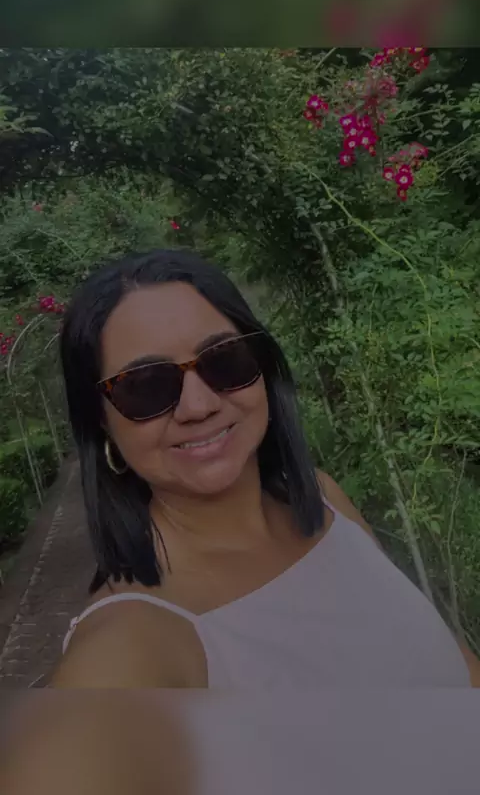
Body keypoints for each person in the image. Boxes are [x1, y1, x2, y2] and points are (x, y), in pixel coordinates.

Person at [52, 248, 477, 688]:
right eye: (145, 387)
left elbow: (454, 663)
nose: (198, 405)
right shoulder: (131, 640)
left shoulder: (324, 500)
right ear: (101, 420)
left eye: (224, 359)